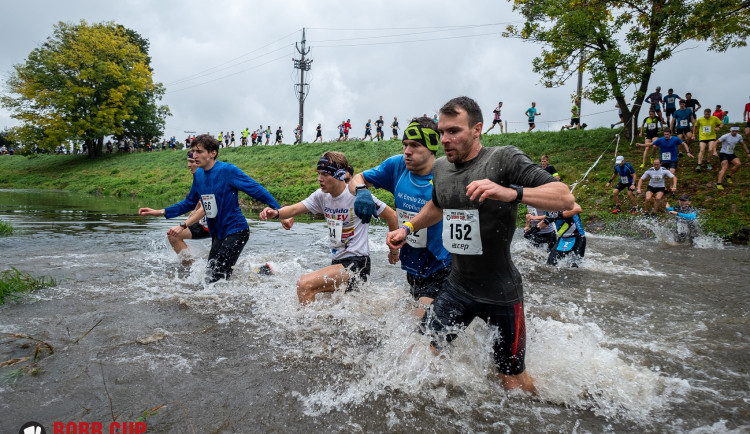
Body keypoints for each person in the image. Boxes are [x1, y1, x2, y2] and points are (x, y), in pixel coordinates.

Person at [386, 96, 575, 393]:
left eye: (454, 131)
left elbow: (564, 197)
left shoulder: (503, 158)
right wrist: (408, 227)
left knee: (512, 384)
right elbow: (438, 205)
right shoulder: (441, 169)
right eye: (442, 132)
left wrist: (510, 192)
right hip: (458, 287)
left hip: (502, 294)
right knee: (417, 355)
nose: (445, 139)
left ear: (477, 129)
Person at [138, 134, 292, 283]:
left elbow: (257, 190)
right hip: (217, 233)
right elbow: (189, 202)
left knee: (216, 279)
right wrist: (159, 212)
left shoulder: (228, 171)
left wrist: (280, 213)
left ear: (212, 153)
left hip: (236, 231)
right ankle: (264, 271)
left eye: (199, 152)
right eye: (193, 151)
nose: (195, 155)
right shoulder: (198, 175)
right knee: (211, 275)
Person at [259, 151, 398, 304]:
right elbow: (294, 209)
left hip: (357, 263)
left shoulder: (356, 195)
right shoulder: (321, 196)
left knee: (305, 284)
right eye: (318, 174)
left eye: (325, 174)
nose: (320, 179)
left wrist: (393, 251)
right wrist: (276, 213)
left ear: (339, 175)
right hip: (337, 262)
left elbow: (392, 216)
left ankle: (306, 326)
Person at [350, 117, 451, 315]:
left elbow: (437, 210)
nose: (407, 151)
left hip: (443, 263)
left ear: (432, 147)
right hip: (413, 262)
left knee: (419, 326)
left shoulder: (445, 173)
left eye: (414, 145)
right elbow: (357, 178)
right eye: (405, 145)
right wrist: (361, 191)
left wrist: (407, 228)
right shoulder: (397, 166)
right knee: (422, 325)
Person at [165, 152, 210, 257]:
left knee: (215, 265)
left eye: (191, 162)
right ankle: (188, 267)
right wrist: (195, 210)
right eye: (188, 162)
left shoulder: (210, 177)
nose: (188, 165)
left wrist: (184, 224)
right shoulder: (198, 178)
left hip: (221, 226)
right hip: (204, 224)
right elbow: (199, 199)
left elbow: (206, 207)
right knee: (173, 236)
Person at [538, 202, 586, 267]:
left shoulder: (565, 200)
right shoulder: (548, 208)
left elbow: (578, 209)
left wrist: (558, 215)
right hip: (563, 239)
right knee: (550, 264)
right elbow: (547, 221)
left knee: (575, 267)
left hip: (578, 238)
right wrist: (533, 230)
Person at [716, 126, 749, 190]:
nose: (735, 132)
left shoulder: (739, 136)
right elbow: (716, 142)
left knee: (738, 164)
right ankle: (719, 183)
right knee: (725, 167)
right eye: (733, 131)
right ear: (731, 130)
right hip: (723, 153)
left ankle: (728, 176)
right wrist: (714, 151)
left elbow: (743, 144)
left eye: (736, 131)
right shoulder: (725, 136)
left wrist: (748, 153)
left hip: (731, 153)